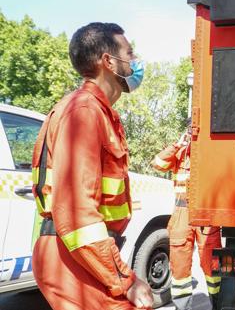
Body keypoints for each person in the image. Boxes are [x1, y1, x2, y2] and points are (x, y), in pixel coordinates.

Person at [31, 22, 153, 309]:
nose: (135, 61)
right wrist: (126, 280)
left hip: (81, 256)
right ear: (109, 62)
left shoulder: (97, 111)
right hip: (73, 259)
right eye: (129, 52)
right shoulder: (84, 112)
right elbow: (76, 217)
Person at [151, 122, 222, 310]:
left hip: (206, 213)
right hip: (182, 213)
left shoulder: (210, 153)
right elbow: (157, 163)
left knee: (212, 263)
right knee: (180, 265)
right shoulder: (180, 152)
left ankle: (218, 304)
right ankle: (183, 307)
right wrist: (178, 144)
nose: (193, 134)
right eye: (190, 130)